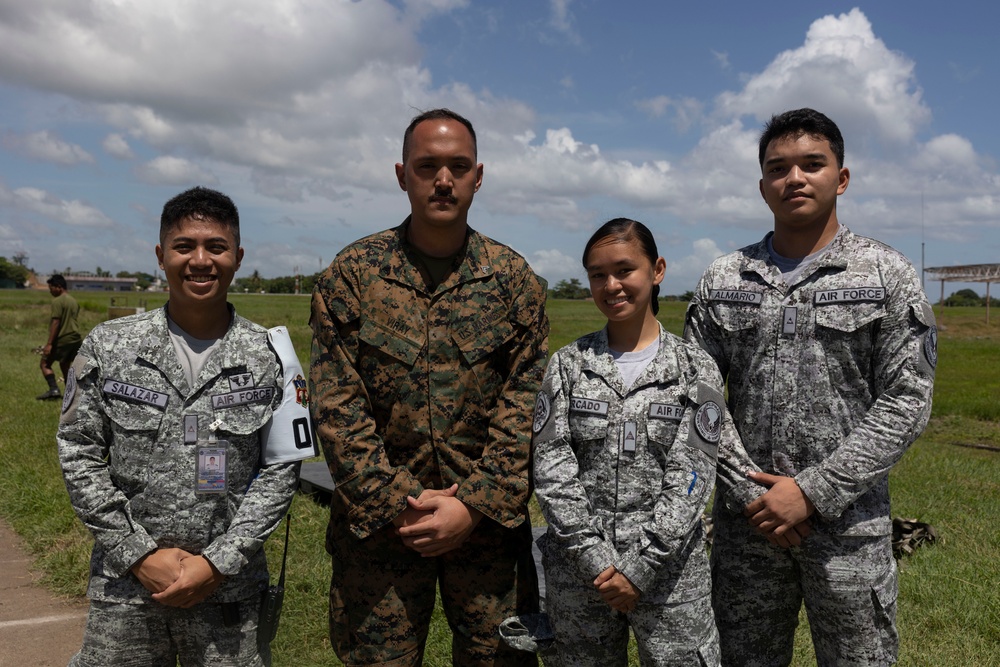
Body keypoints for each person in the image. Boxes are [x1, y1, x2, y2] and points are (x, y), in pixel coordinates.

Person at [684, 108, 936, 666]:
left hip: (848, 528)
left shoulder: (883, 273)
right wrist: (752, 493)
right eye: (778, 168)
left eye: (812, 164)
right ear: (762, 186)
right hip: (748, 531)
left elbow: (907, 399)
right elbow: (698, 400)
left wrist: (812, 492)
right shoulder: (725, 280)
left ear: (841, 178)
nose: (794, 178)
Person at [310, 108, 549, 666]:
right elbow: (337, 406)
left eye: (458, 166)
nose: (443, 179)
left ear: (478, 175)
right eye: (428, 166)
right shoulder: (353, 275)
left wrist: (471, 504)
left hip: (486, 530)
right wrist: (398, 503)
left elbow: (524, 408)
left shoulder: (514, 282)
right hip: (381, 535)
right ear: (402, 174)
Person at [58, 186, 306, 667]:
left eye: (216, 247)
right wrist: (138, 554)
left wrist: (218, 562)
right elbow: (78, 452)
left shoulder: (270, 356)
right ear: (160, 255)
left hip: (229, 592)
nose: (200, 260)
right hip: (126, 588)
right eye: (184, 246)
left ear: (238, 257)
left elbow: (282, 470)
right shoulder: (111, 346)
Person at [532, 218, 749, 666]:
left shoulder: (696, 368)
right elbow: (551, 470)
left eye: (624, 270)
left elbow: (693, 474)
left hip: (671, 577)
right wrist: (595, 560)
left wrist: (641, 565)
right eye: (597, 274)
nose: (611, 285)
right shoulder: (568, 365)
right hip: (580, 577)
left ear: (657, 271)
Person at [37, 274, 82, 400]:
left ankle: (54, 390)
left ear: (59, 287)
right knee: (65, 364)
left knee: (45, 363)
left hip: (63, 337)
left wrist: (49, 344)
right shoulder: (73, 301)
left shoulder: (57, 301)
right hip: (75, 337)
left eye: (51, 288)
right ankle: (71, 393)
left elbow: (56, 322)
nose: (50, 291)